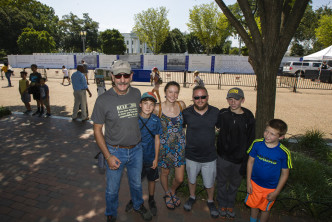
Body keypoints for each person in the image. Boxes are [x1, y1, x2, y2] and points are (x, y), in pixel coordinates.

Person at [91, 60, 152, 222]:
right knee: (112, 189)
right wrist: (108, 156)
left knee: (137, 185)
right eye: (118, 75)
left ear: (131, 76)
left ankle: (138, 205)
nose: (122, 79)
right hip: (115, 151)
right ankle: (111, 213)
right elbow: (97, 130)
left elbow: (144, 113)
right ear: (112, 77)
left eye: (126, 75)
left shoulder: (137, 93)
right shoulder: (103, 100)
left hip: (136, 149)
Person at [216, 87, 255, 219]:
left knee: (234, 184)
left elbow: (251, 138)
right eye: (230, 99)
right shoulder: (222, 114)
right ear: (227, 100)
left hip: (239, 159)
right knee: (221, 182)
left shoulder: (248, 117)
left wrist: (247, 158)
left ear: (242, 100)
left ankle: (230, 204)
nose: (233, 102)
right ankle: (222, 203)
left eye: (236, 100)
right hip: (223, 157)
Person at [182, 85, 219, 218]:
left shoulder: (216, 112)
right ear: (193, 98)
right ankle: (192, 197)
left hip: (209, 156)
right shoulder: (186, 113)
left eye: (203, 97)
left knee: (209, 182)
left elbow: (222, 130)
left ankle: (210, 201)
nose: (200, 100)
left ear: (207, 97)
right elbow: (180, 129)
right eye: (197, 97)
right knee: (191, 180)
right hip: (191, 155)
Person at [245, 119, 292, 222]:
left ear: (281, 137)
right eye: (266, 131)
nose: (267, 135)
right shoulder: (257, 144)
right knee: (254, 206)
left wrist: (276, 192)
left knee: (265, 209)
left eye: (272, 134)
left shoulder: (284, 153)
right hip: (254, 184)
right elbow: (250, 162)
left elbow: (285, 174)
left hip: (270, 188)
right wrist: (248, 181)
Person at [125, 92, 162, 217]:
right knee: (136, 181)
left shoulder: (156, 120)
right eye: (145, 103)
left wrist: (156, 158)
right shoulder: (134, 119)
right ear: (140, 104)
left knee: (152, 179)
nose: (148, 107)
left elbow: (157, 139)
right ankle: (134, 199)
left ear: (154, 107)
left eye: (151, 104)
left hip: (151, 156)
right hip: (136, 157)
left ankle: (151, 199)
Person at [153, 81, 186, 210]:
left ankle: (173, 190)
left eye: (176, 92)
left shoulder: (181, 105)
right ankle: (167, 193)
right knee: (165, 173)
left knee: (180, 178)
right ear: (165, 93)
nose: (173, 94)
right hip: (165, 148)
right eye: (170, 91)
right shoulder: (157, 108)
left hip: (179, 147)